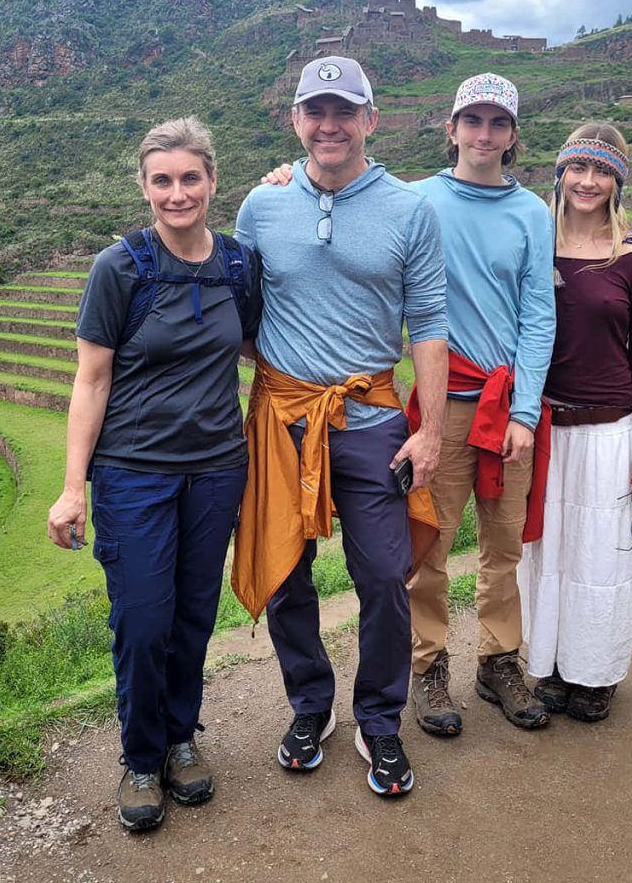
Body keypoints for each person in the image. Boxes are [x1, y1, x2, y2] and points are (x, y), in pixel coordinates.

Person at [232, 55, 448, 797]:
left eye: (344, 111)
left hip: (371, 419)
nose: (330, 124)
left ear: (370, 121)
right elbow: (243, 308)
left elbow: (429, 324)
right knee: (287, 570)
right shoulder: (261, 206)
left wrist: (431, 431)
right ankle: (309, 704)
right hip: (283, 417)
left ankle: (379, 719)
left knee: (384, 574)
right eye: (315, 111)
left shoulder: (411, 210)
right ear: (295, 121)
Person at [47, 117, 261, 831]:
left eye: (190, 178)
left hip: (216, 471)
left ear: (212, 180)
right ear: (144, 187)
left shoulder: (237, 265)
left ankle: (179, 740)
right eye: (162, 180)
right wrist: (72, 488)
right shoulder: (121, 269)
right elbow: (92, 381)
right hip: (133, 474)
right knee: (142, 620)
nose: (178, 193)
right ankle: (140, 758)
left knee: (194, 616)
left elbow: (259, 348)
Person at [406, 73, 556, 738]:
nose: (484, 134)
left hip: (506, 408)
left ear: (513, 135)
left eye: (498, 124)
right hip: (443, 407)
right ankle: (428, 664)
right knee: (430, 542)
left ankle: (498, 660)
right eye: (473, 121)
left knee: (502, 544)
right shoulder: (415, 201)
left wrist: (525, 412)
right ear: (451, 128)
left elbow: (538, 316)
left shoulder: (531, 213)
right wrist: (285, 178)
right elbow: (339, 192)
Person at [517, 123, 632, 723]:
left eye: (602, 171)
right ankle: (550, 663)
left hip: (608, 431)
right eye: (579, 168)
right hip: (546, 425)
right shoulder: (534, 242)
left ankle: (595, 673)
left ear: (617, 181)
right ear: (561, 172)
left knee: (601, 557)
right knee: (548, 552)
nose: (588, 181)